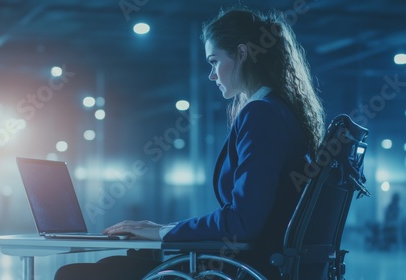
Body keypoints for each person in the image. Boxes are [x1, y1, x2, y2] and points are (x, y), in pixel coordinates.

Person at [55, 6, 325, 280]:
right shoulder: (281, 112)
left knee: (73, 274)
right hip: (253, 263)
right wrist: (164, 227)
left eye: (214, 61)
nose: (211, 75)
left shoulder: (261, 114)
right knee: (113, 265)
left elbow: (242, 223)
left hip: (241, 268)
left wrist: (163, 231)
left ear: (242, 54)